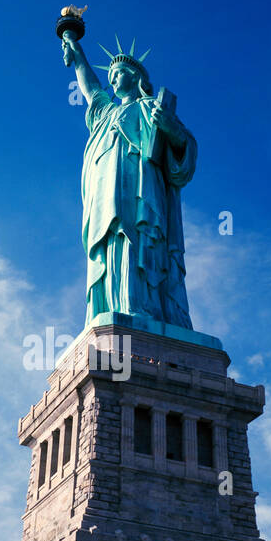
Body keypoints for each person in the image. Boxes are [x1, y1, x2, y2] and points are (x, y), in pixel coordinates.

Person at [62, 33, 195, 329]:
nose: (113, 78)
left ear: (136, 77)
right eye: (110, 74)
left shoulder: (151, 108)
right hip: (105, 192)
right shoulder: (105, 112)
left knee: (139, 239)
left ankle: (142, 307)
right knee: (112, 243)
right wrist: (77, 51)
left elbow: (183, 154)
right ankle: (111, 307)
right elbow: (90, 88)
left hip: (142, 192)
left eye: (119, 72)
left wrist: (171, 129)